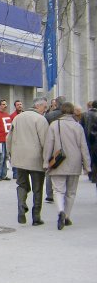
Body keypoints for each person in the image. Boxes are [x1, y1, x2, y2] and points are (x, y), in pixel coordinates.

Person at [42, 102, 91, 230]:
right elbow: (83, 147)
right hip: (74, 162)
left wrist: (46, 162)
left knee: (58, 190)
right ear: (73, 112)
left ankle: (60, 211)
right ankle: (67, 216)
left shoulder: (54, 125)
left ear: (62, 111)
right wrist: (87, 166)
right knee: (71, 192)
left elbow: (49, 145)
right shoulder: (77, 126)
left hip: (58, 161)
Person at [7, 97, 49, 226]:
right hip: (36, 158)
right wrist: (47, 159)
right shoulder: (40, 120)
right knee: (37, 188)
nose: (45, 110)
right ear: (39, 106)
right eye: (45, 107)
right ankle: (36, 217)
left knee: (22, 184)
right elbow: (45, 141)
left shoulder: (17, 117)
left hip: (19, 157)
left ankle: (21, 206)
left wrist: (11, 154)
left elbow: (9, 137)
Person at [44, 96, 66, 202]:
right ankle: (62, 191)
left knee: (50, 168)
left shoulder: (49, 115)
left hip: (51, 145)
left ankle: (50, 194)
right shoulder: (69, 116)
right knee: (65, 168)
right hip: (65, 145)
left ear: (55, 104)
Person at [79, 100, 97, 183]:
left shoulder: (85, 115)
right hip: (94, 140)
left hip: (86, 139)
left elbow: (81, 126)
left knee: (90, 156)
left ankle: (91, 175)